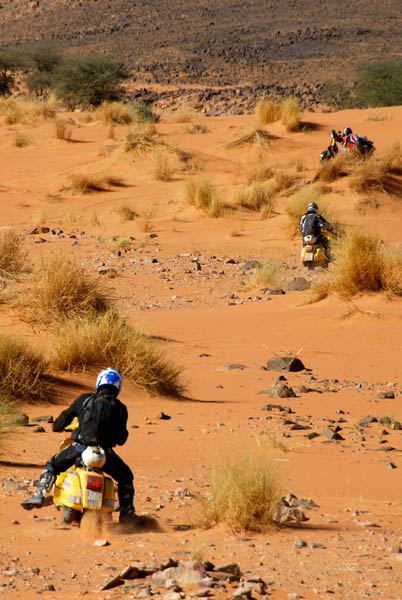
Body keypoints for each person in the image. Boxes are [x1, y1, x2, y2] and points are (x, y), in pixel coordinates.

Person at [21, 368, 138, 524]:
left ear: (99, 382)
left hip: (80, 448)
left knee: (52, 465)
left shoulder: (84, 399)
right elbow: (122, 439)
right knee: (126, 477)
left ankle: (40, 495)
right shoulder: (121, 408)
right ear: (118, 386)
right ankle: (127, 513)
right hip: (105, 454)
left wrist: (57, 426)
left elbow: (63, 418)